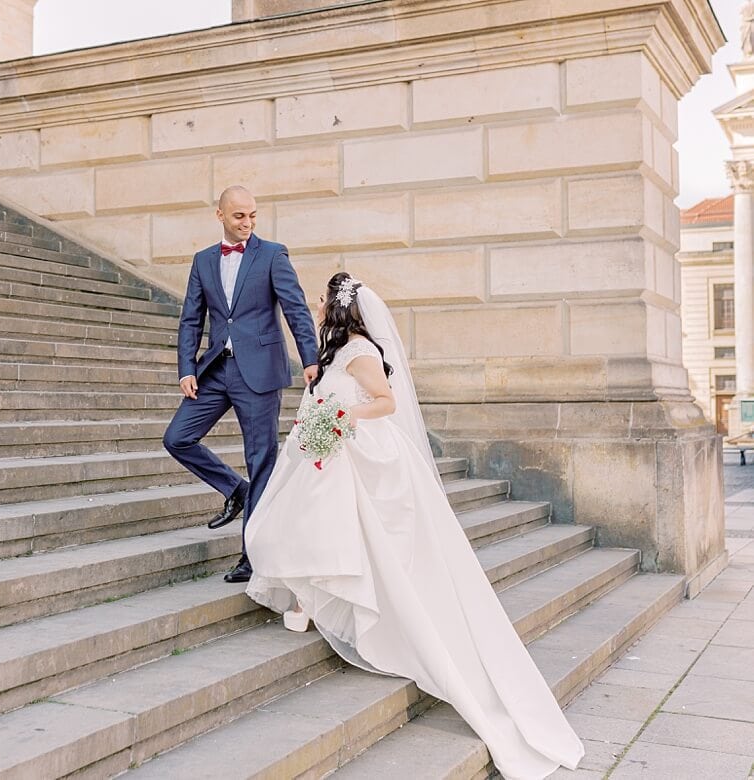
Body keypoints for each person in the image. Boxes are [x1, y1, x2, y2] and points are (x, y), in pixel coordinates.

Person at [245, 273, 584, 780]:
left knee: (342, 528)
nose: (314, 302)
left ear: (339, 307)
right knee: (305, 521)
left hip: (361, 449)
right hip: (331, 449)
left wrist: (341, 417)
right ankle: (307, 595)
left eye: (321, 297)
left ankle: (316, 599)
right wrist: (322, 419)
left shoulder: (359, 347)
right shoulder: (333, 347)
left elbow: (386, 402)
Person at [163, 185, 319, 583]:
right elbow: (190, 319)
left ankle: (253, 557)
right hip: (215, 371)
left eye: (252, 215)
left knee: (261, 460)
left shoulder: (272, 254)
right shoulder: (202, 261)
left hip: (260, 372)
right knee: (177, 437)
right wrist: (186, 368)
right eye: (239, 216)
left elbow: (296, 309)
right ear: (220, 215)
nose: (247, 223)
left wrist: (311, 360)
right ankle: (237, 490)